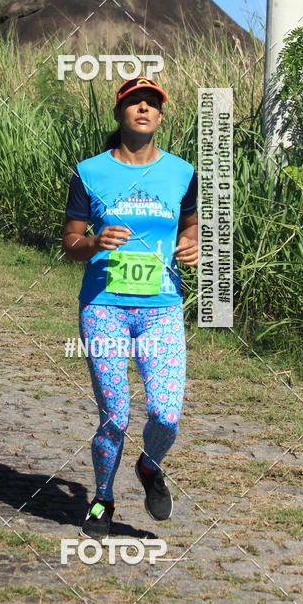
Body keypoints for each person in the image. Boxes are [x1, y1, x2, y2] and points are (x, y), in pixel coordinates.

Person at [62, 76, 198, 538]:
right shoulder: (89, 171)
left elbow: (191, 228)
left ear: (161, 116)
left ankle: (149, 465)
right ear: (119, 114)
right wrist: (95, 241)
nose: (143, 108)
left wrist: (191, 245)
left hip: (162, 307)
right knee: (115, 415)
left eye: (152, 103)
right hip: (104, 306)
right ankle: (103, 497)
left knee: (166, 414)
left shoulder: (182, 172)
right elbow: (70, 244)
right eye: (133, 102)